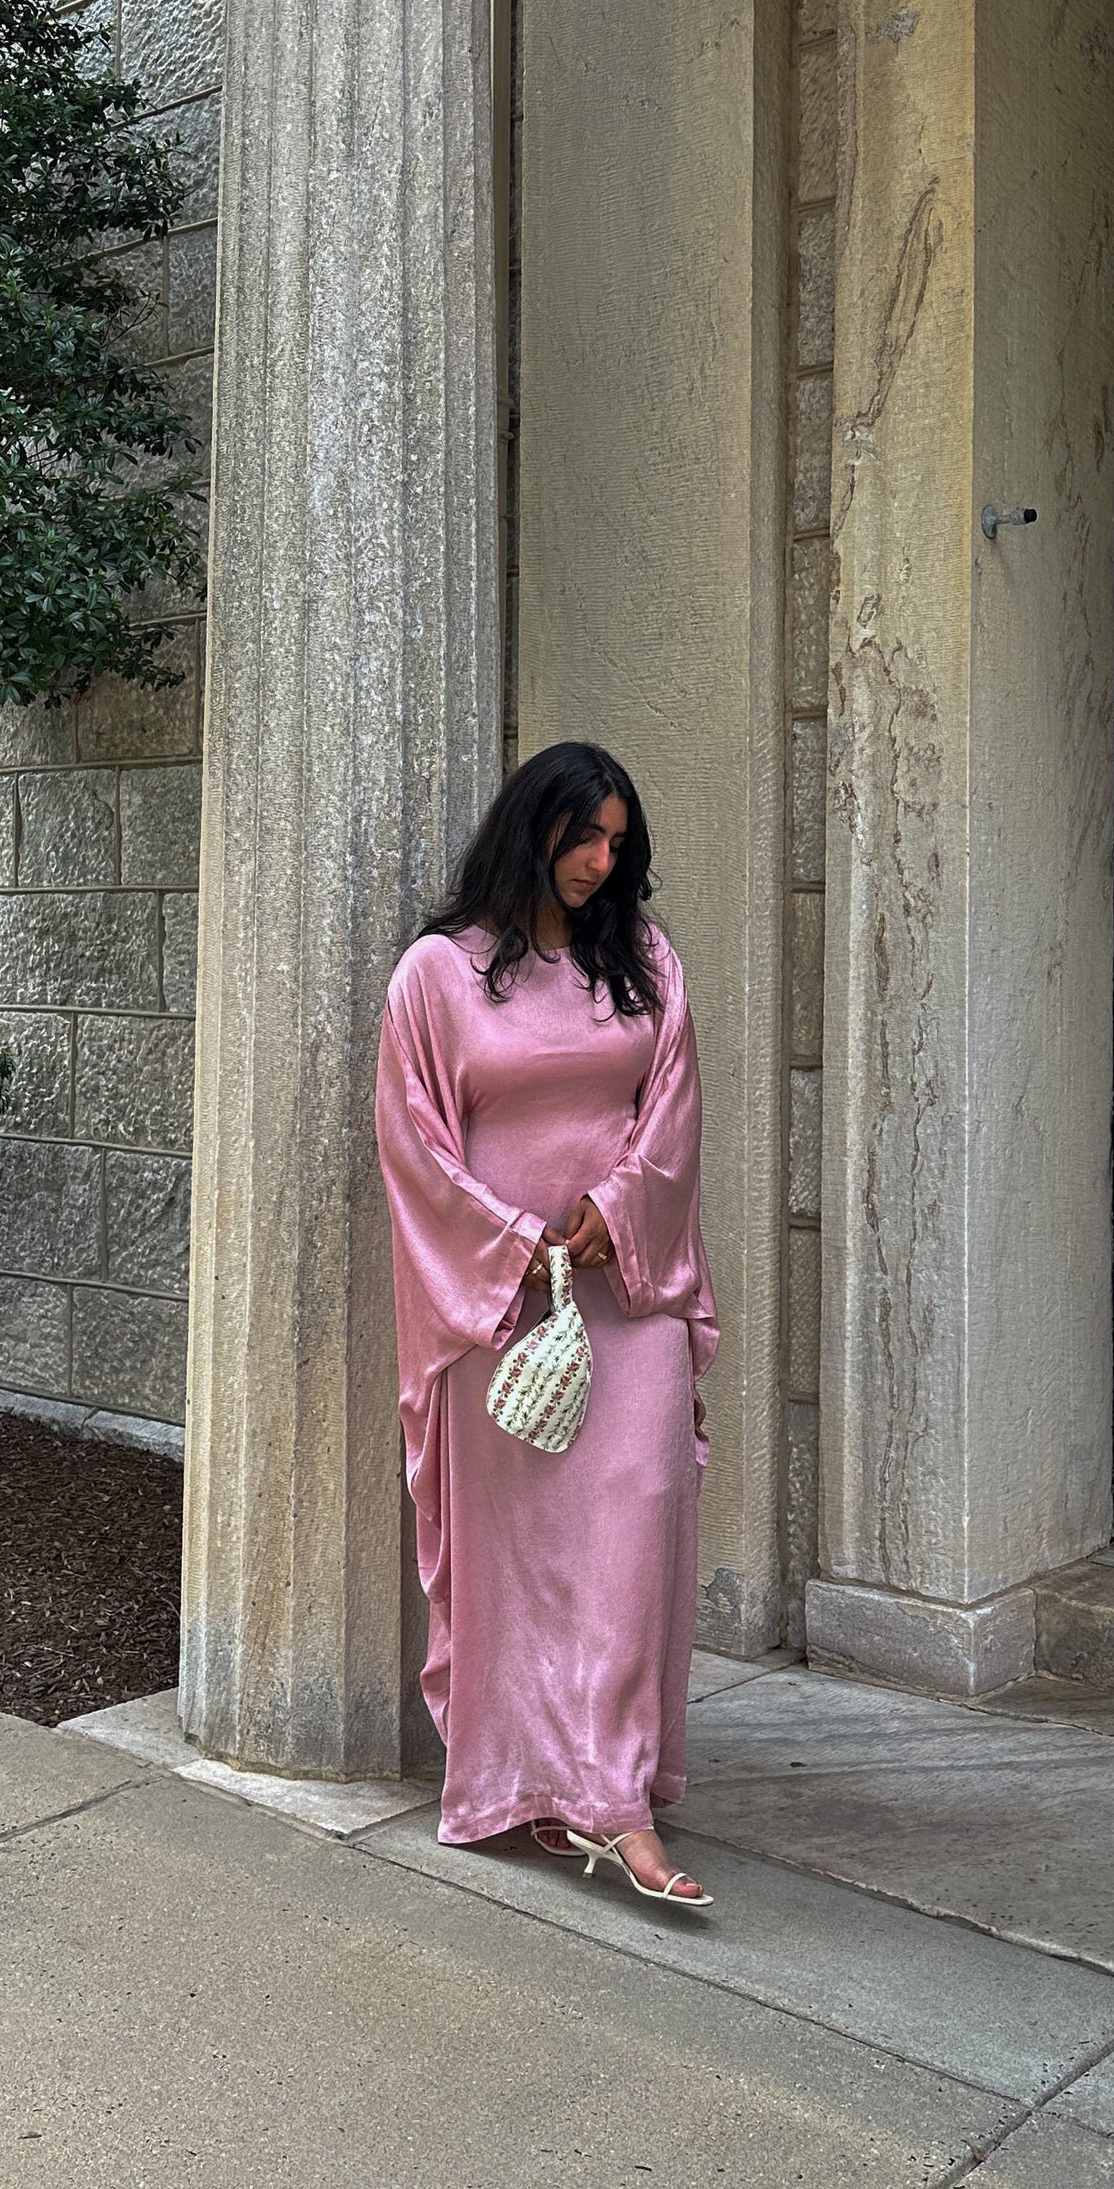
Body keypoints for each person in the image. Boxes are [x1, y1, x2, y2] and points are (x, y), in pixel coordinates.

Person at [375, 740, 719, 1907]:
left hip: (629, 1297)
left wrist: (610, 1211)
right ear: (530, 827)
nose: (598, 860)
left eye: (617, 842)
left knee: (633, 1536)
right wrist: (513, 1239)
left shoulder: (646, 962)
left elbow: (669, 1120)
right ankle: (524, 1782)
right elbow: (414, 1146)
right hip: (501, 1308)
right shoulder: (437, 975)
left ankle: (617, 1803)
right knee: (517, 1564)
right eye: (582, 836)